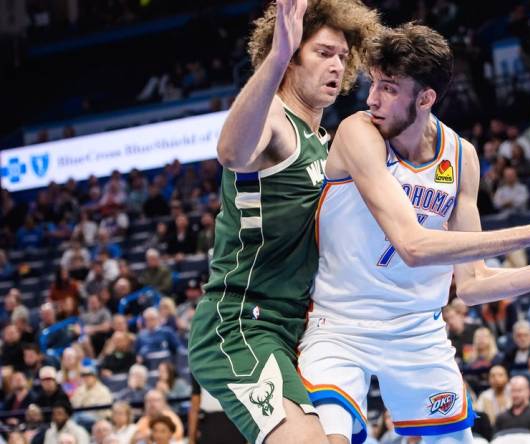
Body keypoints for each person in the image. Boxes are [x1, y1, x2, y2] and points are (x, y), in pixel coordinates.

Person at [297, 23, 530, 444]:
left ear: (426, 98)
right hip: (340, 325)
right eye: (374, 83)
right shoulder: (360, 132)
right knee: (326, 438)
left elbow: (472, 285)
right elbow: (412, 245)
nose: (372, 98)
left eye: (389, 88)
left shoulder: (461, 156)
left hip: (417, 331)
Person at [187, 1, 381, 443]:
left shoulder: (328, 143)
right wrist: (275, 58)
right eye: (323, 52)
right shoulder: (275, 118)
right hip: (243, 324)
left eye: (343, 57)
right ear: (292, 55)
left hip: (306, 330)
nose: (336, 65)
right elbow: (232, 152)